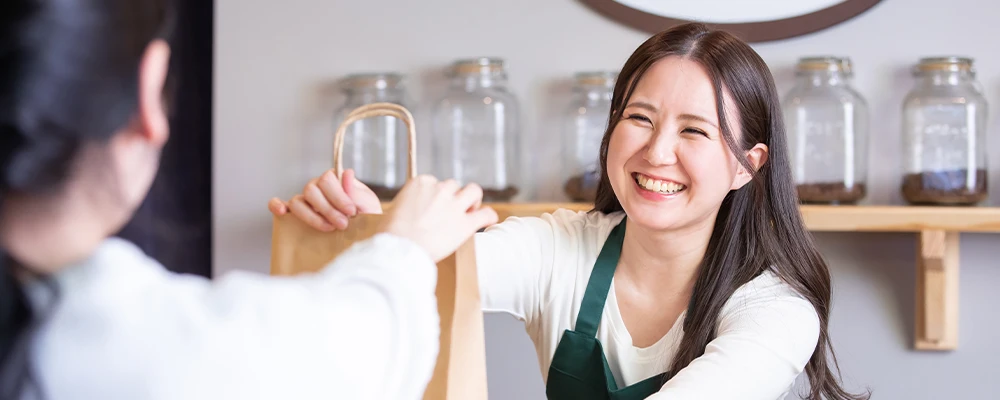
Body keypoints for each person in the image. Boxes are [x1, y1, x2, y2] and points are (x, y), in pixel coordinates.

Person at [272, 23, 871, 400]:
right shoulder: (559, 249)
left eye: (695, 131)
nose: (657, 152)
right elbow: (436, 270)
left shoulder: (777, 311)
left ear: (747, 164)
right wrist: (377, 230)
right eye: (640, 118)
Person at [0, 1, 498, 399]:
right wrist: (404, 247)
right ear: (148, 94)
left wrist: (383, 237)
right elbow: (354, 353)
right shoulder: (137, 343)